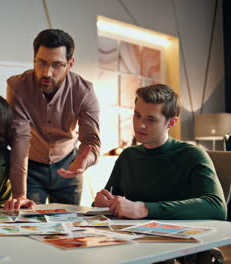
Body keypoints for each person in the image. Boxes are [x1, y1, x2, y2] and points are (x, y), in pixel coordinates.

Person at [94, 84, 227, 220]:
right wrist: (102, 202)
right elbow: (107, 201)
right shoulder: (128, 156)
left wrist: (144, 209)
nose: (140, 125)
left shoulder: (193, 155)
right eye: (137, 115)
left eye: (151, 119)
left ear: (171, 122)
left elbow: (217, 208)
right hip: (134, 235)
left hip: (182, 237)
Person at [5, 29, 101, 209]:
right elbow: (20, 138)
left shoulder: (84, 91)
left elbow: (91, 141)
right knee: (28, 224)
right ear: (34, 59)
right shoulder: (17, 86)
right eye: (41, 63)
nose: (47, 73)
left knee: (68, 229)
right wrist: (19, 194)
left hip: (69, 165)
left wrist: (85, 160)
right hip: (30, 169)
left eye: (56, 65)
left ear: (70, 64)